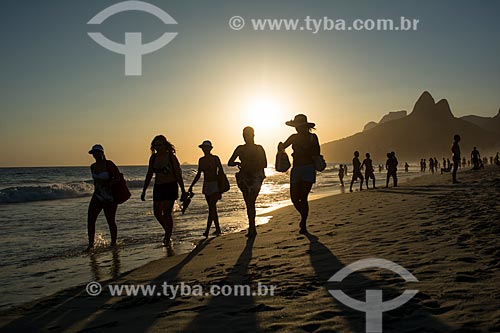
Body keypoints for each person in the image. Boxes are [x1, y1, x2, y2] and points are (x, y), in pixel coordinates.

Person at [141, 135, 187, 246]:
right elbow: (149, 174)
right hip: (158, 187)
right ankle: (167, 230)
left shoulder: (171, 157)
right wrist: (144, 190)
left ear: (165, 145)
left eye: (160, 145)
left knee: (166, 213)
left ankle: (167, 236)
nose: (158, 147)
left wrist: (183, 190)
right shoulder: (153, 158)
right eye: (156, 145)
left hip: (170, 186)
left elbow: (178, 174)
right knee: (157, 213)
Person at [278, 114, 320, 234]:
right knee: (295, 198)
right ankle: (304, 218)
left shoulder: (313, 137)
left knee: (303, 197)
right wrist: (280, 146)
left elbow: (317, 152)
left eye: (298, 126)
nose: (296, 128)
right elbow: (283, 146)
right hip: (298, 169)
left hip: (307, 168)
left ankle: (303, 223)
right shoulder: (294, 137)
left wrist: (304, 151)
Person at [229, 127, 267, 237]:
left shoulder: (259, 148)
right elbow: (230, 162)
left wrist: (250, 165)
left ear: (253, 135)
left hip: (255, 177)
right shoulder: (240, 148)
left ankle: (252, 227)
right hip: (245, 178)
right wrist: (238, 164)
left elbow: (264, 163)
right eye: (244, 135)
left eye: (248, 135)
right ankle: (252, 227)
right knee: (249, 202)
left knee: (251, 202)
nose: (246, 137)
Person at [87, 144, 120, 250]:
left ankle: (113, 243)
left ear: (102, 153)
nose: (95, 155)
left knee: (110, 220)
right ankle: (91, 245)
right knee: (91, 220)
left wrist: (107, 183)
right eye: (93, 153)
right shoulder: (92, 166)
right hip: (97, 195)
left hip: (110, 197)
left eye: (97, 152)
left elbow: (118, 178)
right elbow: (95, 182)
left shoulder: (109, 164)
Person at [189, 140, 222, 237]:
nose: (205, 150)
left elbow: (221, 172)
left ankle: (207, 230)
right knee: (212, 208)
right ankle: (218, 229)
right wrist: (191, 186)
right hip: (207, 185)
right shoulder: (201, 160)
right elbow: (199, 174)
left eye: (206, 148)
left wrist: (220, 187)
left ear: (210, 149)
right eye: (203, 148)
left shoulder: (215, 158)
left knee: (212, 207)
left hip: (215, 185)